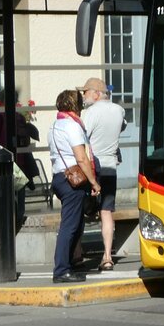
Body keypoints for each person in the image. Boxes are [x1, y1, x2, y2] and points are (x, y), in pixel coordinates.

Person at [48, 88, 101, 283]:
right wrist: (94, 182)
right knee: (70, 226)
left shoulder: (55, 125)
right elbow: (81, 158)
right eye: (80, 103)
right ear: (75, 105)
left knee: (75, 224)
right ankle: (61, 270)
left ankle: (69, 265)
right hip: (73, 180)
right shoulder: (72, 126)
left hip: (59, 177)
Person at [79, 77, 126, 270]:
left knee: (81, 209)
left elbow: (82, 137)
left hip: (92, 167)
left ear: (97, 93)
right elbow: (122, 126)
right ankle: (107, 256)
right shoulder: (119, 110)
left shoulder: (90, 113)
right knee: (107, 211)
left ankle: (76, 253)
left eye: (86, 92)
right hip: (110, 167)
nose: (84, 96)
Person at [0, 98, 41, 227]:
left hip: (4, 164)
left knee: (4, 196)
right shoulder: (20, 118)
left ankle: (7, 224)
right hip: (19, 163)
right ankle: (17, 221)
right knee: (19, 197)